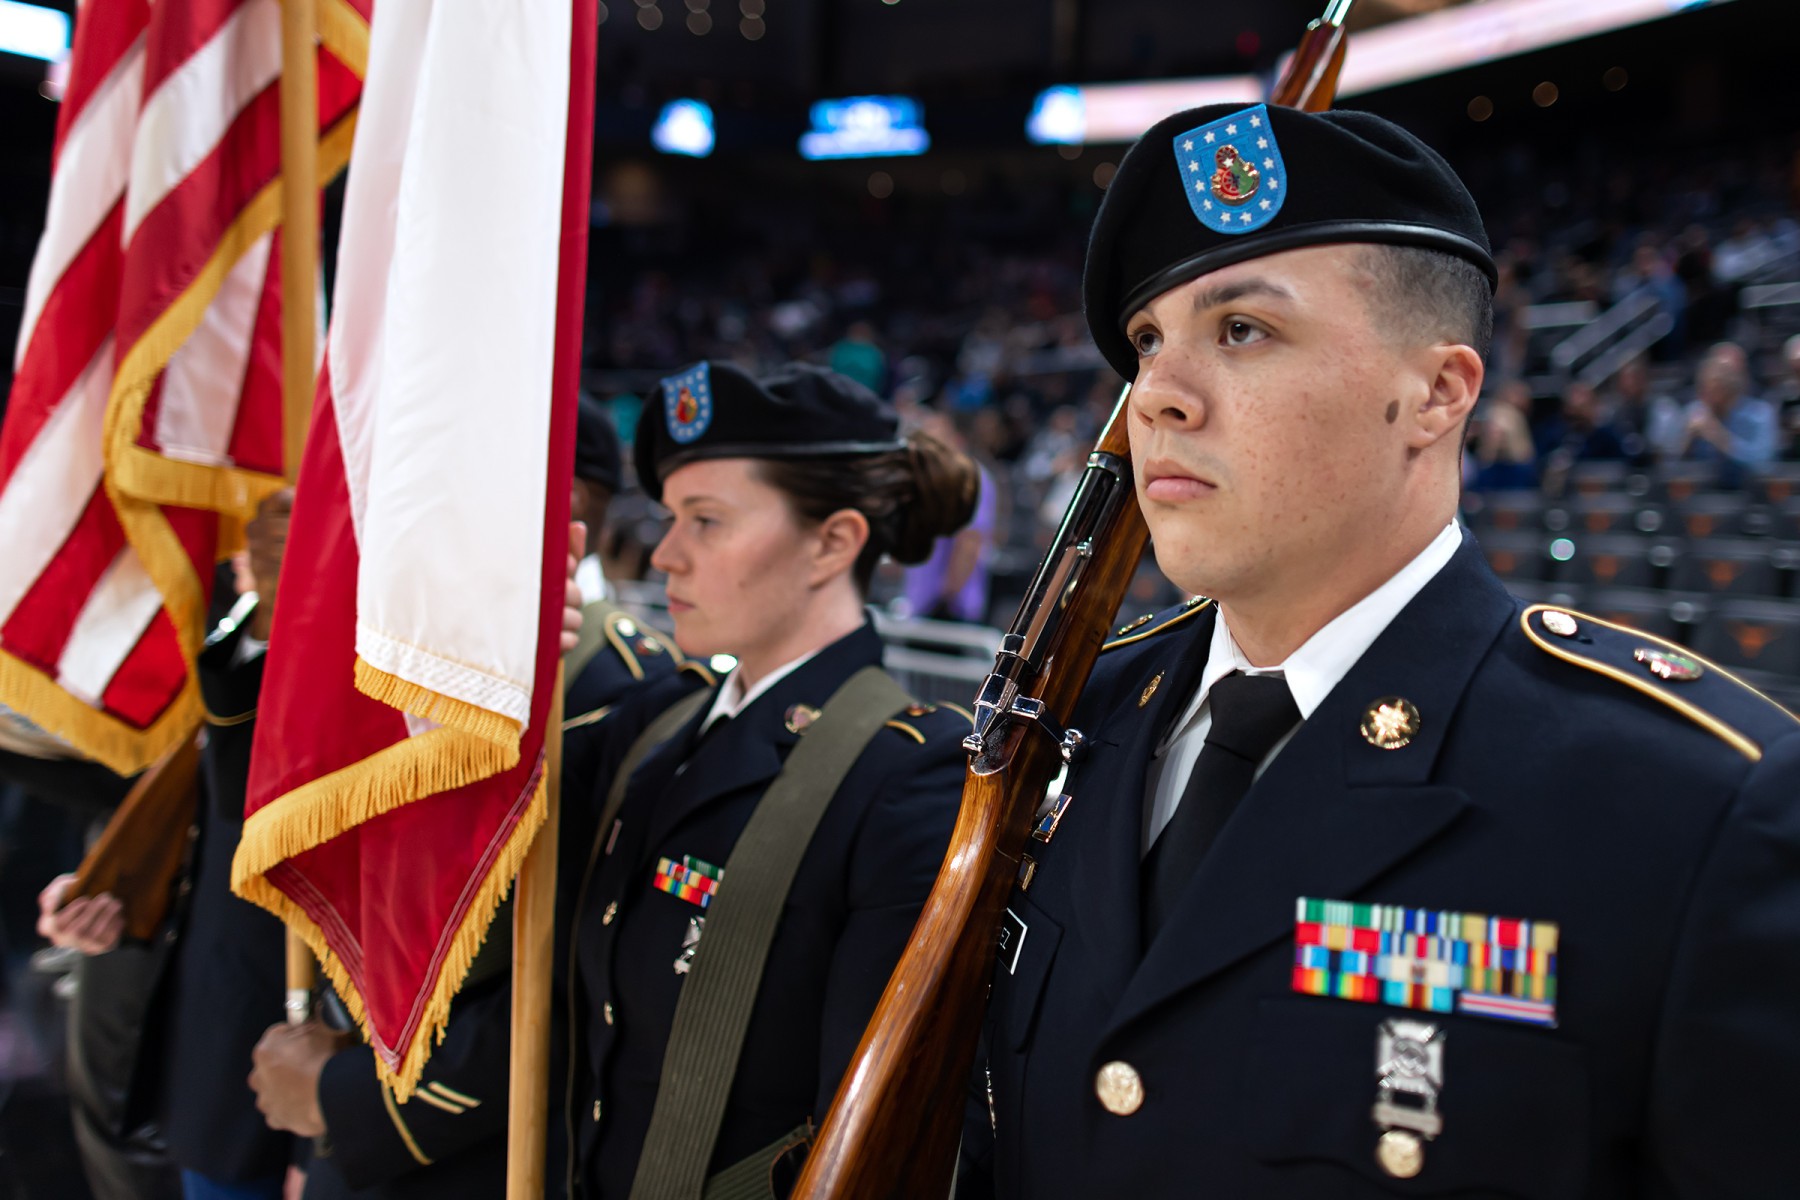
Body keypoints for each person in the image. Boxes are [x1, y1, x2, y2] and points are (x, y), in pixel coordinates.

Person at [957, 100, 1800, 1197]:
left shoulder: (1693, 806)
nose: (1153, 395)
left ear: (1438, 394)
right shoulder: (1074, 718)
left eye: (1241, 330)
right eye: (1149, 340)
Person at [564, 360, 979, 1197]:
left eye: (706, 521)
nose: (665, 554)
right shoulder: (661, 722)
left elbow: (864, 1142)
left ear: (833, 542)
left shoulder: (906, 774)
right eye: (671, 518)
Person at [1673, 341, 1778, 485]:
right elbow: (1669, 466)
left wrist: (1719, 437)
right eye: (1705, 386)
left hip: (1748, 491)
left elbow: (1764, 464)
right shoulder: (1694, 412)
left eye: (1718, 386)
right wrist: (1687, 440)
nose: (1709, 394)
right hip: (1701, 491)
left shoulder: (1759, 413)